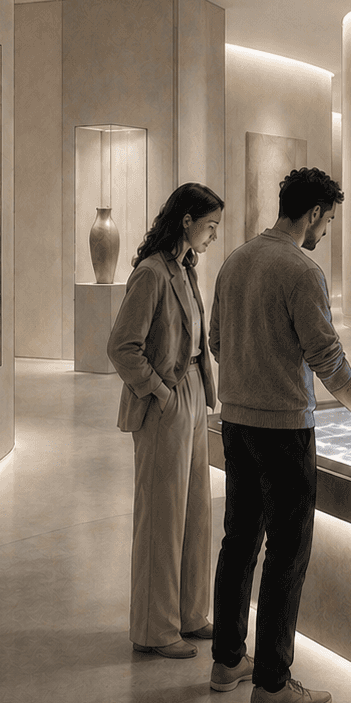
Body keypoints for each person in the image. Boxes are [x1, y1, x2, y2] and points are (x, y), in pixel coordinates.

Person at [208, 167, 351, 703]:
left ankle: (227, 661)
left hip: (236, 424)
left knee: (238, 542)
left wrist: (252, 372)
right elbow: (328, 360)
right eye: (328, 220)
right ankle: (272, 684)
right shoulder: (302, 271)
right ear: (314, 212)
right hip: (283, 432)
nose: (326, 231)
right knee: (286, 554)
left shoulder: (235, 261)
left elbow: (218, 341)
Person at [107, 182, 223, 659]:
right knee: (162, 517)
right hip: (165, 402)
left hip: (193, 391)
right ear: (187, 221)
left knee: (195, 512)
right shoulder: (151, 273)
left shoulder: (186, 269)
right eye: (210, 226)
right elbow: (122, 347)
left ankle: (191, 614)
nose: (213, 235)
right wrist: (160, 392)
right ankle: (155, 629)